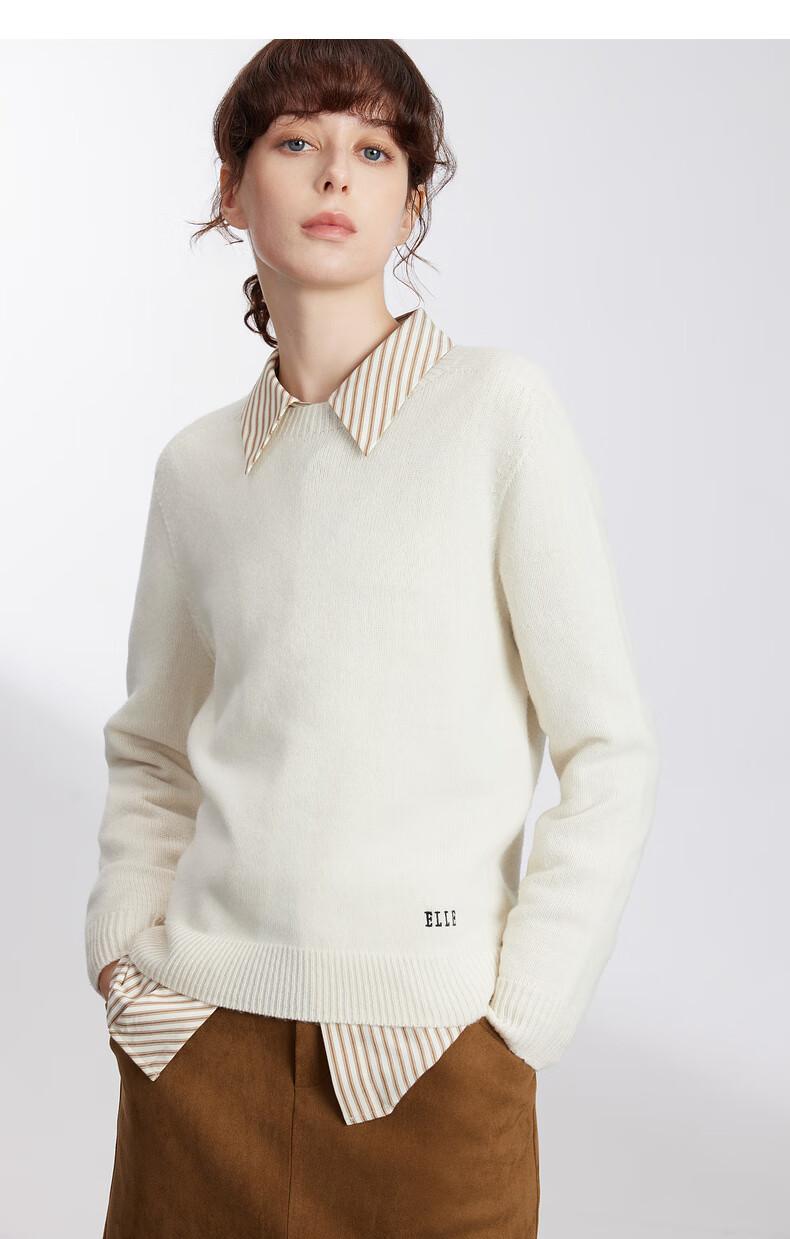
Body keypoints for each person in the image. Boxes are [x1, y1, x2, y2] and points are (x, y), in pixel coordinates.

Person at [85, 37, 660, 1239]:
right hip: (198, 1053)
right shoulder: (197, 470)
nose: (335, 173)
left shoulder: (498, 412)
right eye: (296, 140)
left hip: (434, 1067)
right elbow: (153, 751)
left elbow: (608, 748)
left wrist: (520, 1017)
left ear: (412, 200)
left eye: (375, 149)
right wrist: (123, 952)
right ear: (232, 189)